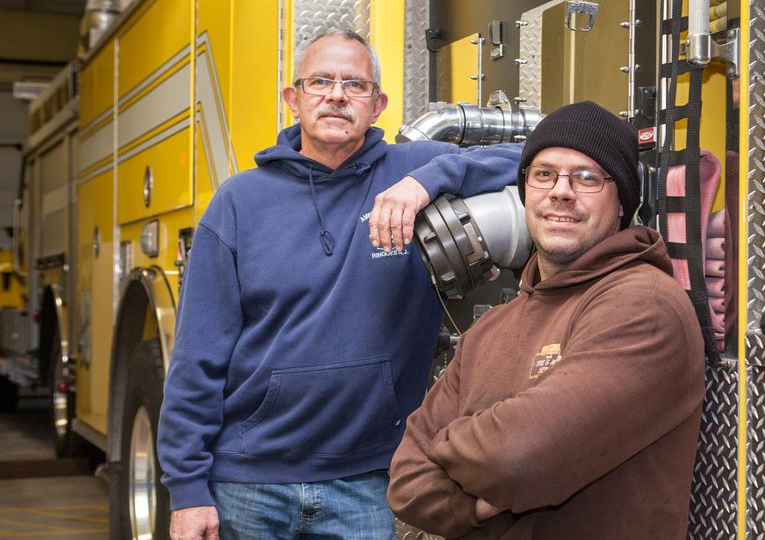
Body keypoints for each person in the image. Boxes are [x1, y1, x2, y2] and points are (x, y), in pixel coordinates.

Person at [157, 29, 521, 540]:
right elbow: (198, 354)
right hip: (248, 481)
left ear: (377, 105)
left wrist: (430, 179)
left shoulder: (411, 170)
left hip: (366, 482)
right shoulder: (239, 202)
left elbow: (537, 160)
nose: (336, 95)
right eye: (320, 82)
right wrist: (188, 490)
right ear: (293, 98)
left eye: (354, 84)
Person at [387, 101, 705, 540]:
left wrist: (445, 451)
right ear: (524, 193)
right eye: (543, 174)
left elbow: (517, 456)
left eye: (587, 177)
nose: (561, 192)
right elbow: (406, 479)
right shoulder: (491, 329)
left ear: (621, 203)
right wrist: (478, 501)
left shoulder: (644, 306)